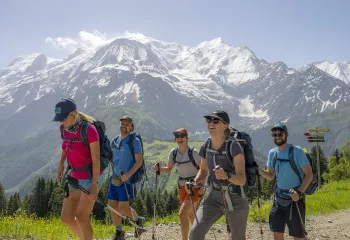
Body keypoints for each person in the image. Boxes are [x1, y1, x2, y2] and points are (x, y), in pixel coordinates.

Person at [189, 110, 249, 240]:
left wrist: (227, 175)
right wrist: (195, 181)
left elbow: (242, 179)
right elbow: (203, 170)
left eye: (216, 120)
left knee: (238, 237)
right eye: (209, 120)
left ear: (225, 125)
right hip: (213, 196)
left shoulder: (234, 146)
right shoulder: (206, 145)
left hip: (236, 198)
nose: (211, 123)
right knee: (195, 233)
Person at [54, 98, 103, 240]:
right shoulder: (64, 128)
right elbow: (67, 146)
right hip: (74, 175)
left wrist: (94, 184)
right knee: (67, 217)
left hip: (89, 177)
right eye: (59, 119)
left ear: (72, 114)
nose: (61, 122)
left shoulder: (89, 129)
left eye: (63, 118)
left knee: (81, 217)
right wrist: (61, 163)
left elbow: (96, 159)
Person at [258, 123, 313, 240]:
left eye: (280, 134)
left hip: (295, 200)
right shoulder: (272, 153)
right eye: (274, 135)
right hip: (278, 199)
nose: (277, 137)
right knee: (277, 234)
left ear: (286, 135)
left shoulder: (297, 151)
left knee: (298, 236)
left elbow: (309, 175)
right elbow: (271, 176)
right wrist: (257, 170)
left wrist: (299, 192)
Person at [153, 128, 202, 240]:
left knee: (182, 214)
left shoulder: (193, 152)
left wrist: (201, 185)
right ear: (175, 139)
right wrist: (159, 169)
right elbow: (169, 169)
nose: (180, 138)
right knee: (190, 214)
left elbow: (203, 170)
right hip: (181, 187)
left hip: (193, 186)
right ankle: (199, 235)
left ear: (186, 138)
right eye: (177, 136)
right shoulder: (173, 153)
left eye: (182, 136)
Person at [107, 116, 145, 240]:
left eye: (127, 124)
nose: (124, 125)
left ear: (131, 127)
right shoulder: (115, 141)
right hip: (115, 179)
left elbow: (139, 161)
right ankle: (119, 233)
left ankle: (138, 220)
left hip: (127, 180)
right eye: (122, 123)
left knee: (123, 208)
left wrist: (128, 174)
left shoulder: (134, 141)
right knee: (112, 206)